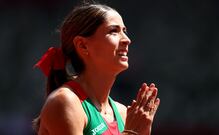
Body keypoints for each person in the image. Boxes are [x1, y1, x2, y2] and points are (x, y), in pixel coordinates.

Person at [33, 2, 160, 135]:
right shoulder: (65, 102)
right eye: (113, 31)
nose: (127, 40)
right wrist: (131, 133)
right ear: (82, 46)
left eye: (124, 31)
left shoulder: (123, 113)